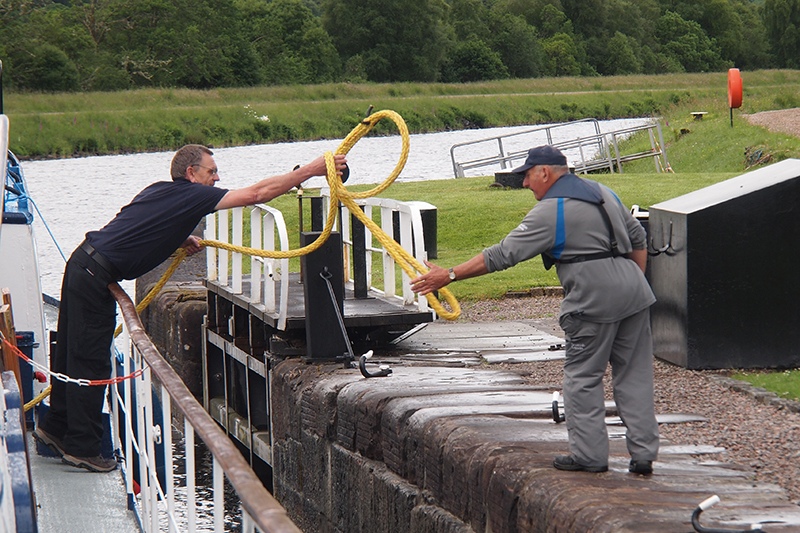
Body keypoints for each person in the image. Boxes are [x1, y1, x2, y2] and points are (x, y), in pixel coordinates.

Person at [33, 144, 347, 472]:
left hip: (82, 263)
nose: (217, 177)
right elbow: (256, 193)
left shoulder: (160, 191)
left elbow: (137, 222)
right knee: (90, 361)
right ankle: (82, 448)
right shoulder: (193, 196)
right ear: (191, 174)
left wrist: (177, 237)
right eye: (211, 171)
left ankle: (55, 427)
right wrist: (310, 171)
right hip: (96, 278)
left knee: (71, 351)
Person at [410, 145, 659, 475]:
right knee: (635, 374)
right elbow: (638, 235)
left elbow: (502, 255)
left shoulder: (552, 210)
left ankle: (590, 457)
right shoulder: (603, 192)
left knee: (582, 376)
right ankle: (643, 455)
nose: (525, 184)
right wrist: (633, 281)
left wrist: (450, 274)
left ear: (546, 172)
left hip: (591, 296)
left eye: (527, 175)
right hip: (635, 291)